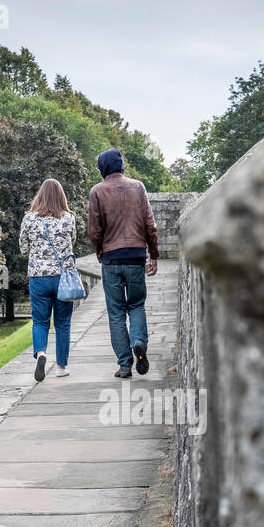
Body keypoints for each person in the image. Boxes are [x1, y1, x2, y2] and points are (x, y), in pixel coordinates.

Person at [87, 149, 158, 378]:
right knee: (136, 305)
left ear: (103, 168)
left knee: (116, 313)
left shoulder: (97, 191)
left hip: (111, 258)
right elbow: (150, 224)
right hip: (136, 256)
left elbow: (95, 230)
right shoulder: (138, 187)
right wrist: (153, 254)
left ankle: (125, 365)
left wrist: (100, 252)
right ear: (121, 166)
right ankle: (138, 342)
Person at [19, 178, 77, 381]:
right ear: (61, 196)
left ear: (40, 195)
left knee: (40, 321)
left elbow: (23, 248)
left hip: (38, 277)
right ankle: (61, 366)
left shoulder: (29, 219)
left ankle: (41, 353)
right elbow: (72, 243)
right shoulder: (69, 218)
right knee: (63, 323)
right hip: (63, 279)